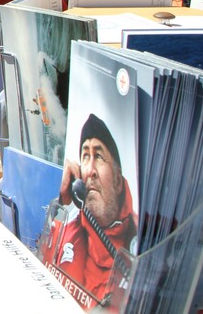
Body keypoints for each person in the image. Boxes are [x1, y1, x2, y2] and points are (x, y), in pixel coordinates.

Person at [45, 114, 137, 307]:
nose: (90, 170)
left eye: (99, 156)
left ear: (118, 181)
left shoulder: (140, 236)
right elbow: (42, 278)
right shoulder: (70, 227)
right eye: (85, 156)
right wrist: (63, 201)